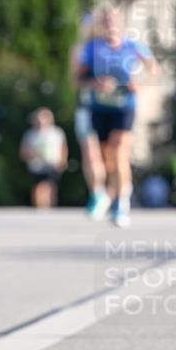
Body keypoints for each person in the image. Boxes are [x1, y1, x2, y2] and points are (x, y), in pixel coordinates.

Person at [77, 6, 156, 228]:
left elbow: (154, 71)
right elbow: (78, 79)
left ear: (121, 23)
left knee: (120, 153)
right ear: (102, 25)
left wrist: (140, 84)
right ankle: (110, 195)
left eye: (114, 21)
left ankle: (122, 203)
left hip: (125, 107)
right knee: (107, 159)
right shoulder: (93, 48)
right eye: (107, 21)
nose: (111, 25)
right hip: (100, 108)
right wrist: (96, 84)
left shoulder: (134, 46)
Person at [71, 14, 107, 219]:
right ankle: (97, 193)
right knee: (90, 153)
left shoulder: (112, 49)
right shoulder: (79, 50)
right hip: (87, 107)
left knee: (109, 155)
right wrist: (95, 84)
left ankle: (113, 194)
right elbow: (75, 80)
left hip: (111, 110)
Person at [20, 108, 68, 208]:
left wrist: (63, 161)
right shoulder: (30, 134)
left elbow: (63, 148)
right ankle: (39, 207)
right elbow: (23, 151)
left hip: (53, 164)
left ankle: (50, 206)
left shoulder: (57, 132)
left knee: (51, 186)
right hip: (36, 165)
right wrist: (31, 155)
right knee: (38, 187)